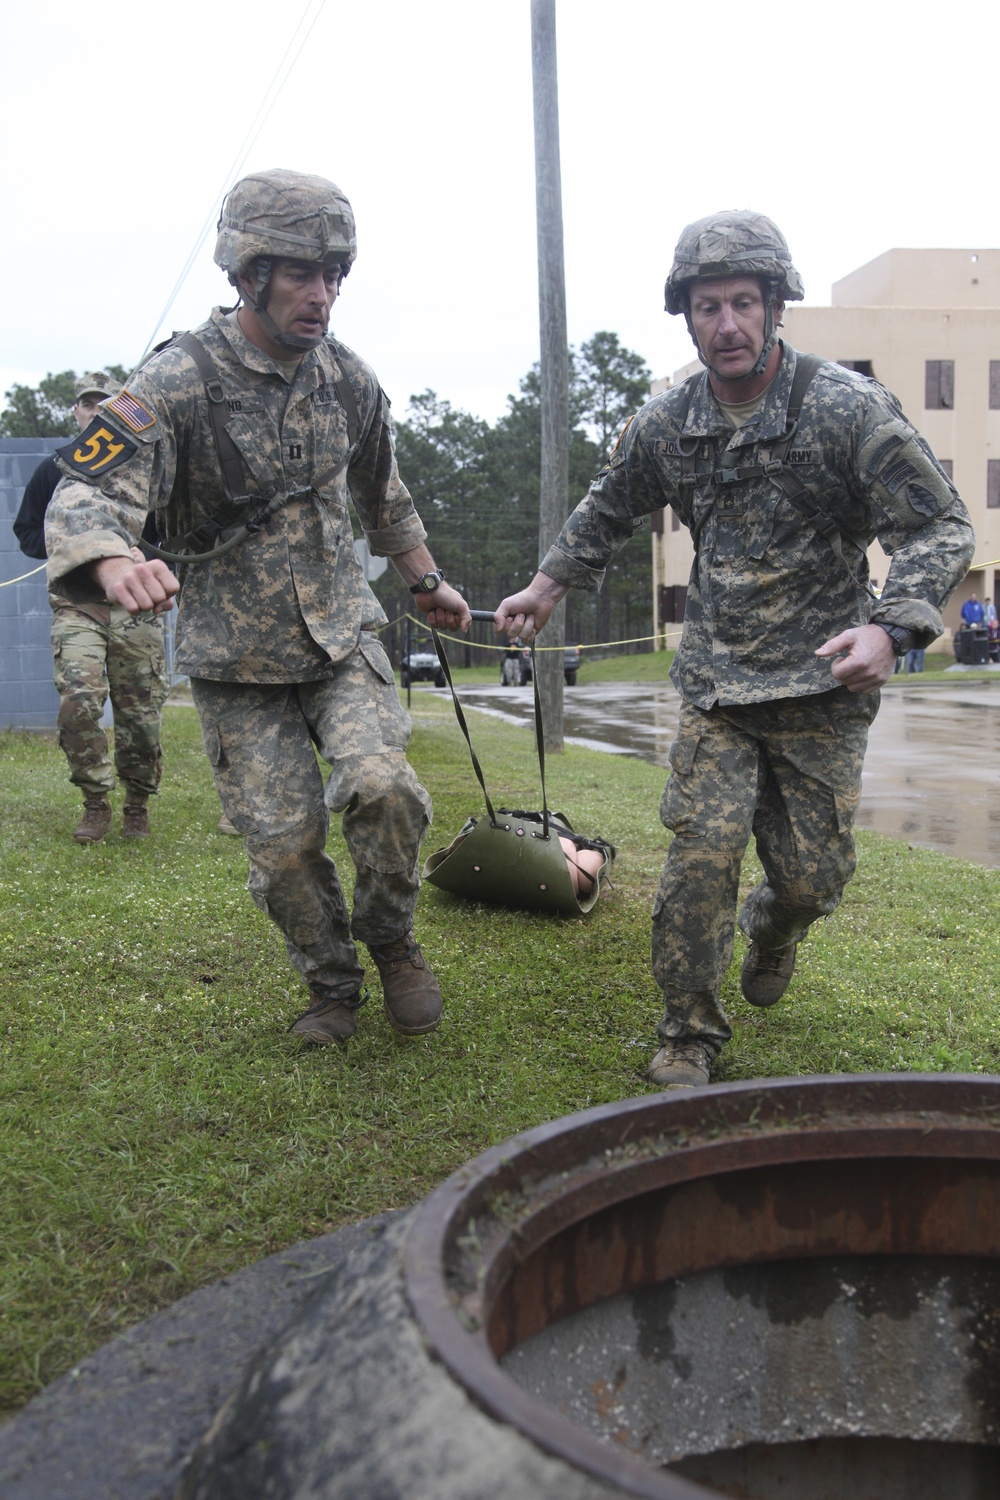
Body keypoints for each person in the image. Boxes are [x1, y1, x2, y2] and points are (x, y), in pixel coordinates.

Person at [495, 210, 975, 1089]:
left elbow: (940, 521)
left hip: (822, 688)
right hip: (717, 685)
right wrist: (547, 585)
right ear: (685, 314)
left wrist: (891, 625)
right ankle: (688, 1033)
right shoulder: (670, 423)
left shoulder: (845, 410)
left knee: (810, 878)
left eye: (744, 303)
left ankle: (777, 930)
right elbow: (609, 505)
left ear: (775, 306)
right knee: (698, 860)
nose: (727, 324)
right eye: (707, 306)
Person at [44, 169, 471, 1045]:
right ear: (248, 273)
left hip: (341, 638)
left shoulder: (350, 380)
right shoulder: (173, 381)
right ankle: (330, 985)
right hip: (235, 662)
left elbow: (383, 495)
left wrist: (426, 582)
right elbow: (84, 489)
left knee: (384, 787)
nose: (321, 296)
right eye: (300, 276)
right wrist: (115, 556)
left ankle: (391, 939)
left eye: (334, 276)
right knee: (281, 847)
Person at [14, 372, 169, 843]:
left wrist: (146, 556)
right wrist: (74, 546)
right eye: (88, 404)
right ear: (76, 412)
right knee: (79, 706)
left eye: (107, 404)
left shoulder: (145, 469)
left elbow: (175, 531)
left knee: (140, 715)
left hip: (134, 608)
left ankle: (137, 805)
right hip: (78, 605)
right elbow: (27, 535)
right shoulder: (53, 472)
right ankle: (95, 802)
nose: (95, 411)